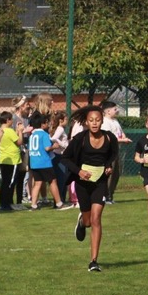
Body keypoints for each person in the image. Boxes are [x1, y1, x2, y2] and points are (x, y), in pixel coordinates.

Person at [59, 106, 119, 272]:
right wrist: (79, 171)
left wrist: (108, 166)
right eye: (91, 120)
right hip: (82, 184)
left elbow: (113, 154)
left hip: (100, 183)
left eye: (97, 120)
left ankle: (93, 261)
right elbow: (65, 158)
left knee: (96, 219)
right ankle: (81, 222)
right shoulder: (80, 139)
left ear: (102, 121)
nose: (94, 123)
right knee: (88, 222)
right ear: (86, 122)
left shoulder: (110, 138)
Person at [27, 113, 64, 210]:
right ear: (42, 124)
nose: (48, 124)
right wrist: (54, 147)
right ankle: (59, 203)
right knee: (52, 181)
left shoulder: (32, 135)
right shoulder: (44, 134)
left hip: (34, 162)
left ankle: (33, 205)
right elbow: (47, 148)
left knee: (37, 183)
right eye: (46, 123)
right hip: (44, 162)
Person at [99, 101, 131, 202]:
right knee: (109, 173)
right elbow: (109, 138)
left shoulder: (115, 121)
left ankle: (110, 196)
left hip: (117, 151)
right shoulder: (105, 122)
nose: (117, 111)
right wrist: (123, 140)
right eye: (115, 109)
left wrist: (124, 137)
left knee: (116, 173)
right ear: (108, 111)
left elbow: (121, 133)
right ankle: (104, 195)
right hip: (109, 152)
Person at [0, 111, 25, 211]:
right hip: (12, 160)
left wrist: (16, 130)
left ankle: (4, 203)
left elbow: (11, 140)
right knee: (10, 183)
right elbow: (19, 142)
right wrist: (20, 131)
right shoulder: (9, 131)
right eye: (11, 119)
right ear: (7, 120)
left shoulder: (0, 130)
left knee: (5, 182)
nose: (12, 121)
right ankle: (6, 204)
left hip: (3, 160)